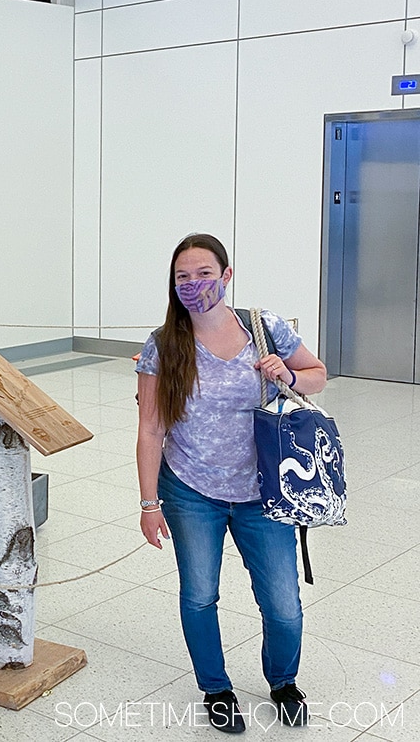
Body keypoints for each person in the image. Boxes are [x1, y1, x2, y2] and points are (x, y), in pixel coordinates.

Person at [135, 233, 327, 734]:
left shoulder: (264, 327)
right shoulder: (162, 345)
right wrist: (149, 502)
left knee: (283, 604)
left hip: (263, 490)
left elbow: (318, 375)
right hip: (190, 489)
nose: (193, 284)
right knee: (199, 595)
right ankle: (215, 689)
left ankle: (283, 681)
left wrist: (287, 373)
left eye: (204, 274)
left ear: (226, 276)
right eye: (183, 277)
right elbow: (151, 428)